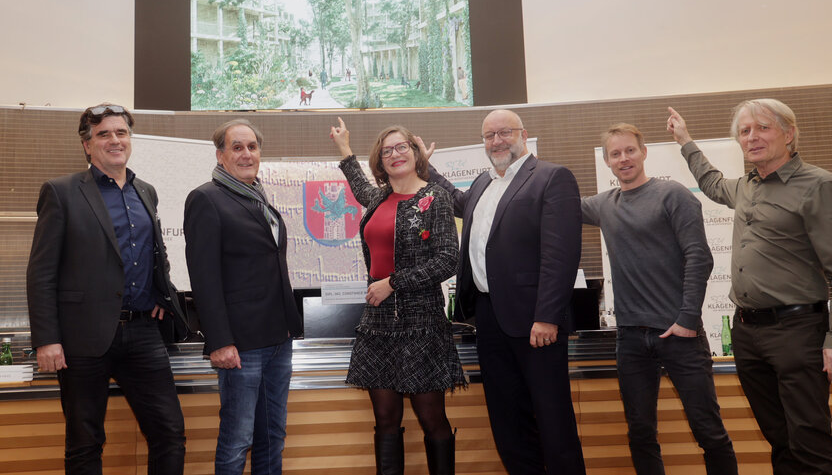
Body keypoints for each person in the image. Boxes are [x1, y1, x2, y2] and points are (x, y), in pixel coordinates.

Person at [667, 100, 832, 475]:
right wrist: (685, 140)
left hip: (798, 331)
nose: (752, 137)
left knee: (811, 443)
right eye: (745, 131)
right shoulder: (745, 187)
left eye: (763, 128)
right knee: (779, 439)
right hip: (747, 332)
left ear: (789, 134)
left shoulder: (818, 185)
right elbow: (709, 183)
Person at [25, 103, 188, 474]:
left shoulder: (145, 191)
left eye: (121, 133)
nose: (114, 140)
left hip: (144, 332)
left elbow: (153, 256)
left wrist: (163, 295)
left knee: (169, 433)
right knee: (84, 444)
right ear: (87, 145)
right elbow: (41, 271)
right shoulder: (61, 192)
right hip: (82, 338)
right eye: (104, 134)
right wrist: (46, 339)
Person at [425, 109, 586, 474]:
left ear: (523, 134)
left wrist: (546, 317)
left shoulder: (551, 177)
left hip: (535, 324)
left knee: (553, 424)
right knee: (508, 423)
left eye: (504, 133)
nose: (496, 141)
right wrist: (426, 169)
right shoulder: (484, 183)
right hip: (489, 321)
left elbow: (560, 255)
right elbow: (457, 201)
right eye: (489, 136)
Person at [581, 123, 738, 475]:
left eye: (630, 150)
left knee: (709, 432)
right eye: (615, 154)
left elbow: (701, 257)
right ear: (607, 161)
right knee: (640, 434)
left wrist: (685, 319)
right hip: (632, 339)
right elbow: (550, 204)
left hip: (680, 334)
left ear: (644, 151)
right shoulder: (604, 205)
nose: (624, 159)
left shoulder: (673, 194)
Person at [329, 117, 464, 475]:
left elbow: (448, 260)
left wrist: (393, 282)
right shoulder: (378, 197)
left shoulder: (435, 198)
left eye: (401, 147)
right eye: (387, 151)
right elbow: (359, 184)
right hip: (378, 325)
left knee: (432, 418)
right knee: (385, 420)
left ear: (416, 152)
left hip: (422, 323)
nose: (394, 154)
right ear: (381, 160)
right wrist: (344, 147)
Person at [184, 119, 303, 475]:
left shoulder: (258, 197)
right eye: (237, 147)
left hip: (278, 338)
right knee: (237, 440)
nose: (247, 154)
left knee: (272, 435)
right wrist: (220, 341)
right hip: (241, 346)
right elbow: (204, 278)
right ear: (220, 155)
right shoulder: (206, 198)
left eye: (252, 146)